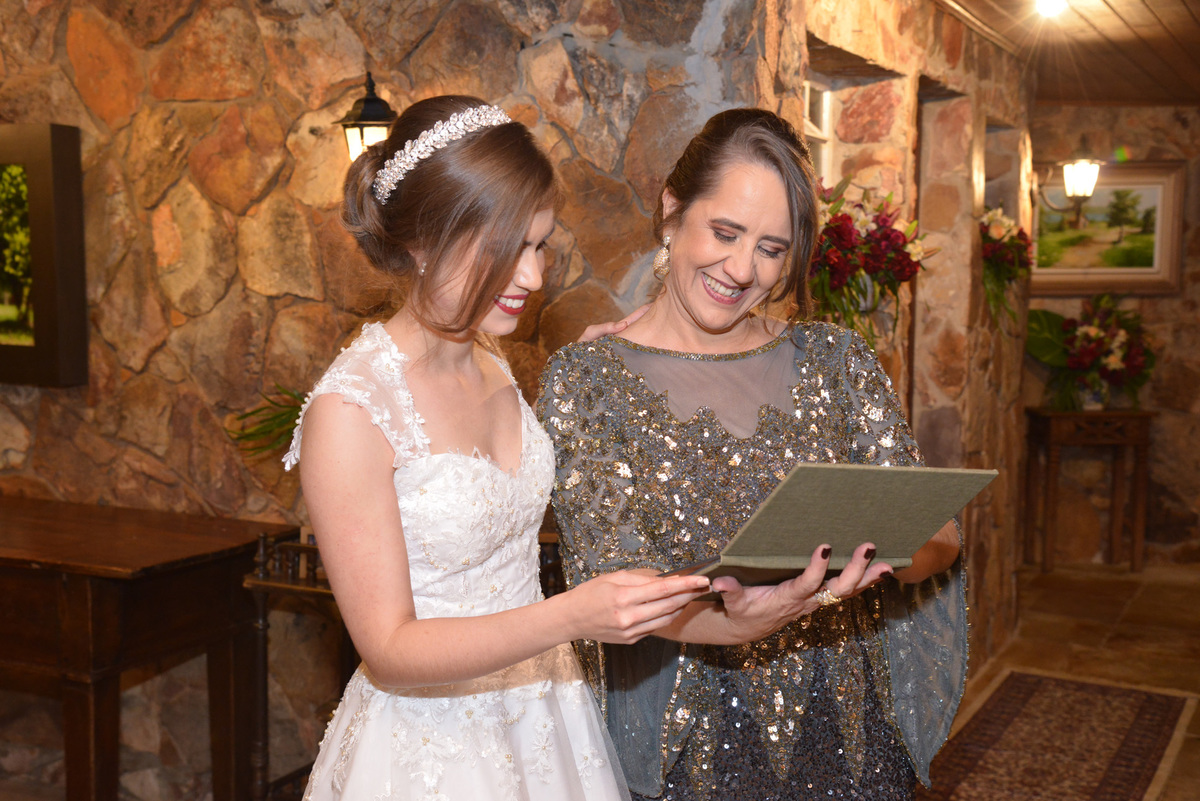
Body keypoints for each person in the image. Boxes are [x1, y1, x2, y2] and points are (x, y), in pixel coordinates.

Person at [283, 95, 711, 801]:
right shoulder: (351, 410)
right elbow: (388, 649)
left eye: (539, 245)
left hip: (543, 714)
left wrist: (593, 374)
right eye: (504, 248)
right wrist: (573, 615)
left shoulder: (487, 357)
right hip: (432, 751)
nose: (534, 277)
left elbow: (496, 492)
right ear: (422, 241)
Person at [537, 108, 967, 800]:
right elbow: (612, 592)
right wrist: (736, 624)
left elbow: (941, 540)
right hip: (689, 753)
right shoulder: (588, 380)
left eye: (772, 248)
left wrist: (853, 565)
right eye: (726, 232)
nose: (742, 269)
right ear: (672, 210)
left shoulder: (837, 362)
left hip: (848, 734)